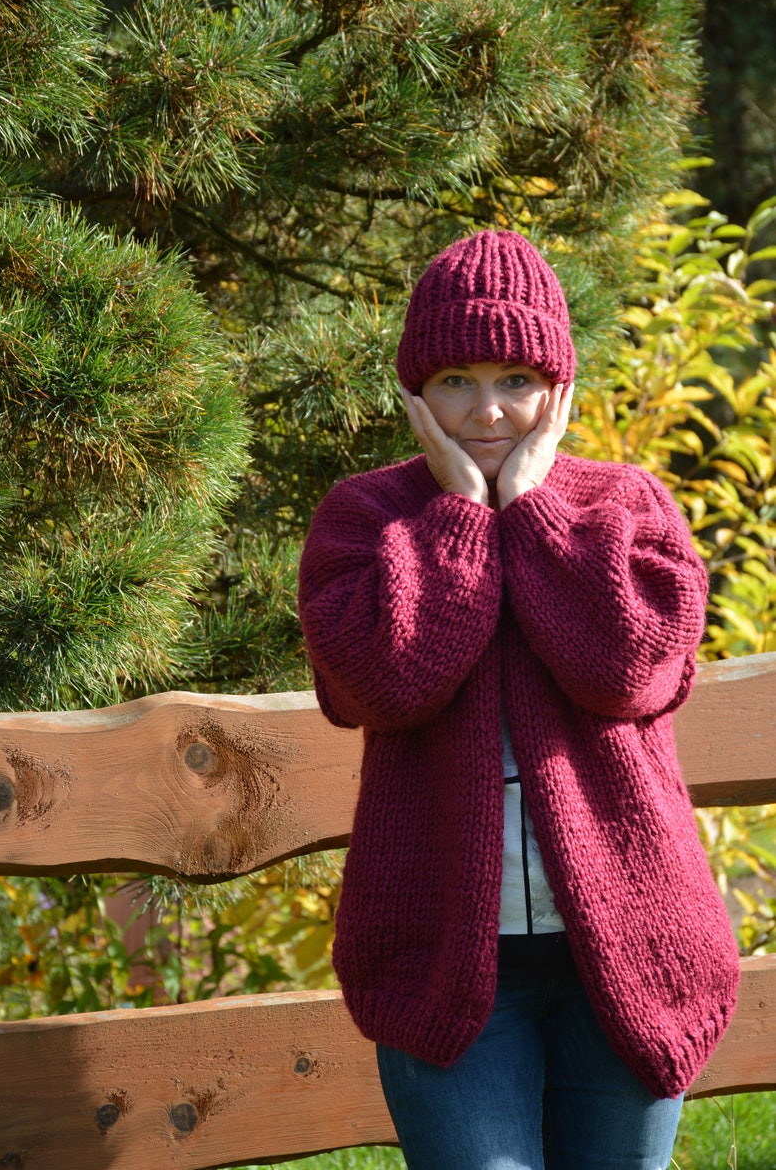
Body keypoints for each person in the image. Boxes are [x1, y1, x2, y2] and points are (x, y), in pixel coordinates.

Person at [297, 230, 740, 1170]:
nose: (487, 409)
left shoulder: (628, 506)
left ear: (559, 387)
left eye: (514, 377)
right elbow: (383, 684)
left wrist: (532, 509)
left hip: (629, 940)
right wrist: (459, 515)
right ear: (416, 390)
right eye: (456, 378)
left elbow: (626, 672)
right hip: (445, 958)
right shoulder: (365, 518)